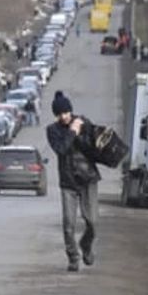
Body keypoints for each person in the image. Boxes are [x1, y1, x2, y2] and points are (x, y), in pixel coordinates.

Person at [46, 91, 101, 272]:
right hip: (68, 182)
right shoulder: (52, 131)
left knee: (92, 221)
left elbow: (93, 148)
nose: (63, 117)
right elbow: (61, 149)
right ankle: (73, 257)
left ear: (71, 111)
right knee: (68, 223)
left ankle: (86, 245)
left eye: (66, 113)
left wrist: (81, 131)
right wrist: (72, 132)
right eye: (59, 114)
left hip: (88, 179)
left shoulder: (83, 123)